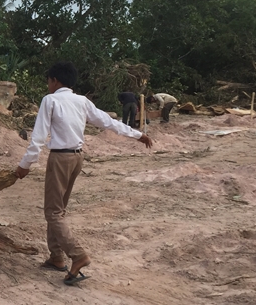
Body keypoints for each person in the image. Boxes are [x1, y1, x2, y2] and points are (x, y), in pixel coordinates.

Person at [14, 62, 153, 285]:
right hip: (77, 157)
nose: (48, 85)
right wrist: (137, 135)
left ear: (55, 81)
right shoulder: (82, 101)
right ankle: (56, 257)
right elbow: (108, 122)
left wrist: (25, 165)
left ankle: (77, 256)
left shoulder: (50, 100)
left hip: (60, 158)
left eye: (48, 81)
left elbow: (38, 137)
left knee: (53, 212)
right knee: (58, 209)